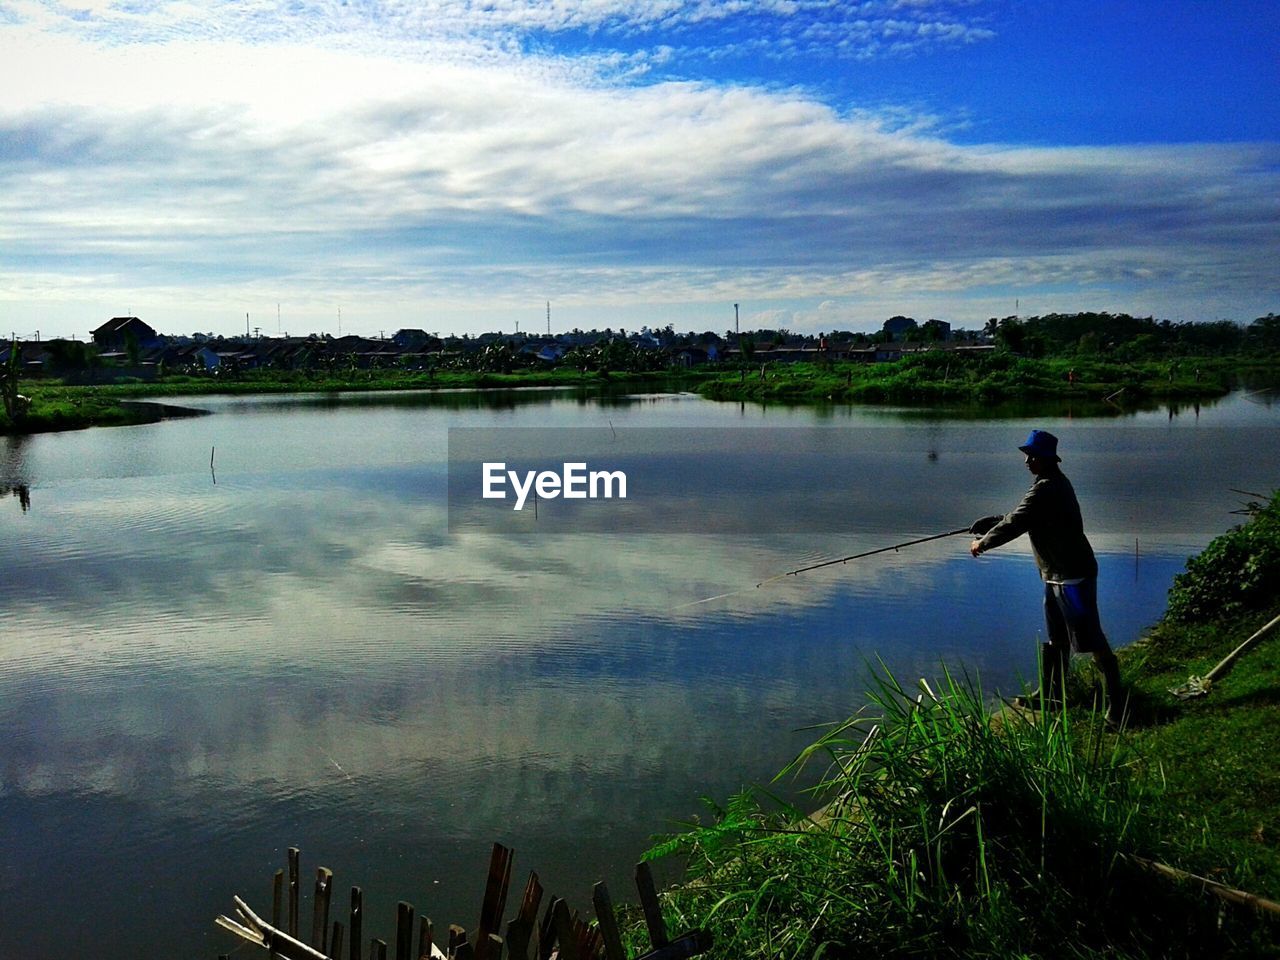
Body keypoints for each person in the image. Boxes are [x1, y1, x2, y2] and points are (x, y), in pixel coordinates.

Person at [968, 429, 1125, 722]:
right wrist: (992, 522)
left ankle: (1117, 704)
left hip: (1073, 576)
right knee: (1056, 639)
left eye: (1031, 456)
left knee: (1091, 639)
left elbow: (1019, 520)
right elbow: (1023, 516)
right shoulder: (1047, 485)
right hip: (1052, 574)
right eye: (1027, 456)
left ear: (1045, 459)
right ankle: (1051, 695)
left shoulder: (1048, 487)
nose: (1026, 461)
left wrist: (983, 542)